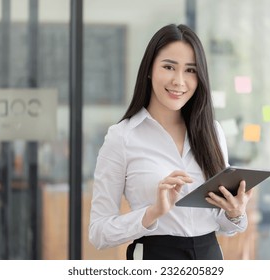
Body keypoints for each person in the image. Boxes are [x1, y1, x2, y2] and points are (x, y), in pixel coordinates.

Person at [89, 23, 253, 260]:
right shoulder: (122, 137)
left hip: (209, 255)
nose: (179, 81)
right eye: (168, 67)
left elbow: (224, 225)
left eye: (190, 70)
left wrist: (235, 213)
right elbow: (99, 232)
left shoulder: (212, 132)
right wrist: (153, 213)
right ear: (149, 69)